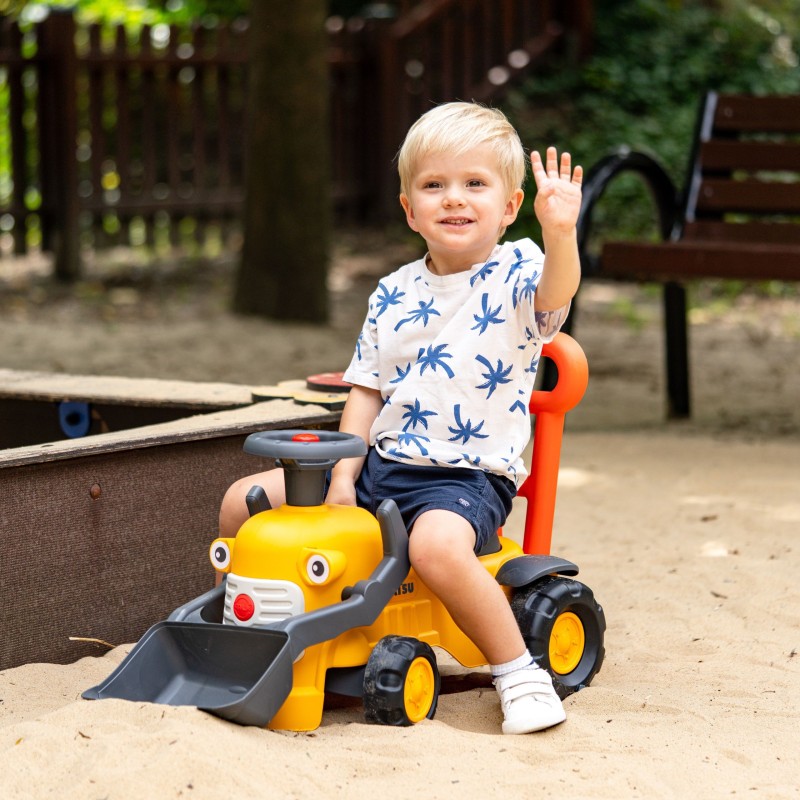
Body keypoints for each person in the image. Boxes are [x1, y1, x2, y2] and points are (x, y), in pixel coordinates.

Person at [219, 102, 582, 734]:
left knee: (435, 546)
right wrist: (339, 480)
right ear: (409, 209)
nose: (454, 199)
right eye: (434, 186)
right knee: (242, 502)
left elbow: (558, 293)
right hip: (380, 466)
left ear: (510, 205)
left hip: (461, 477)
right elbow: (366, 392)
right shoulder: (393, 291)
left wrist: (560, 233)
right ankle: (247, 639)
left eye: (475, 184)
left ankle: (519, 671)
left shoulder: (517, 273)